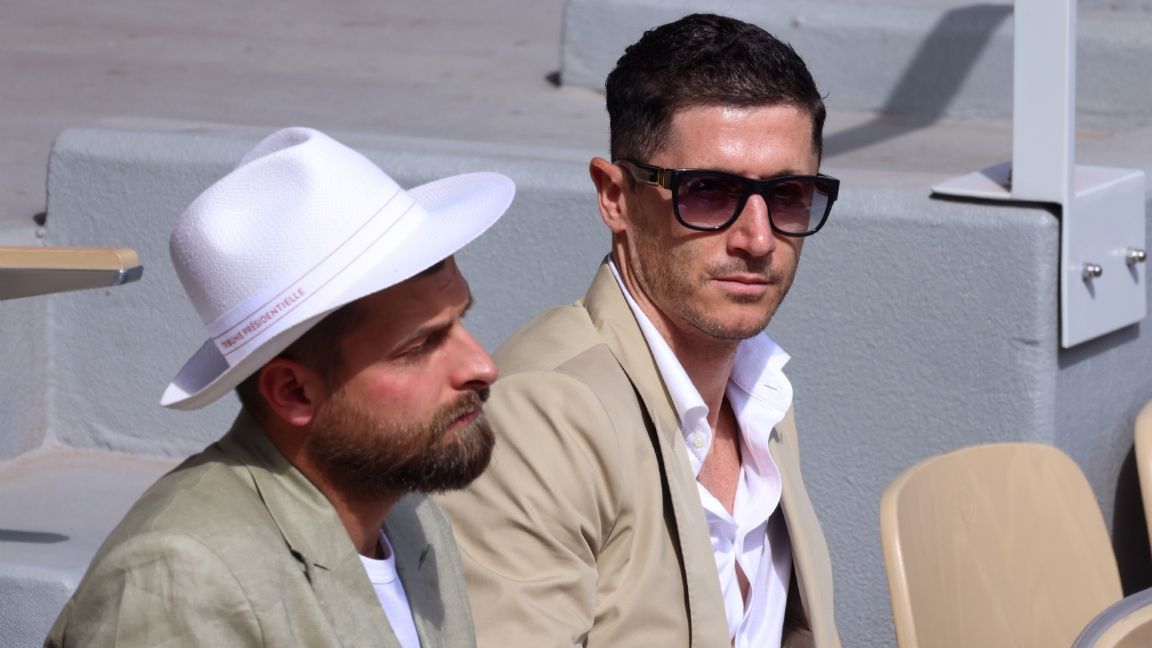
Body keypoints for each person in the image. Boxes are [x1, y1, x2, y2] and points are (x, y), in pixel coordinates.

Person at [437, 13, 840, 648]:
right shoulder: (538, 417)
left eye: (788, 194)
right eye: (708, 192)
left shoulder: (762, 391)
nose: (758, 239)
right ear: (615, 197)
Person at [45, 127, 515, 647]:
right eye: (420, 345)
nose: (482, 366)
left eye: (461, 320)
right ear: (292, 392)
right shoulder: (183, 579)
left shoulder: (410, 520)